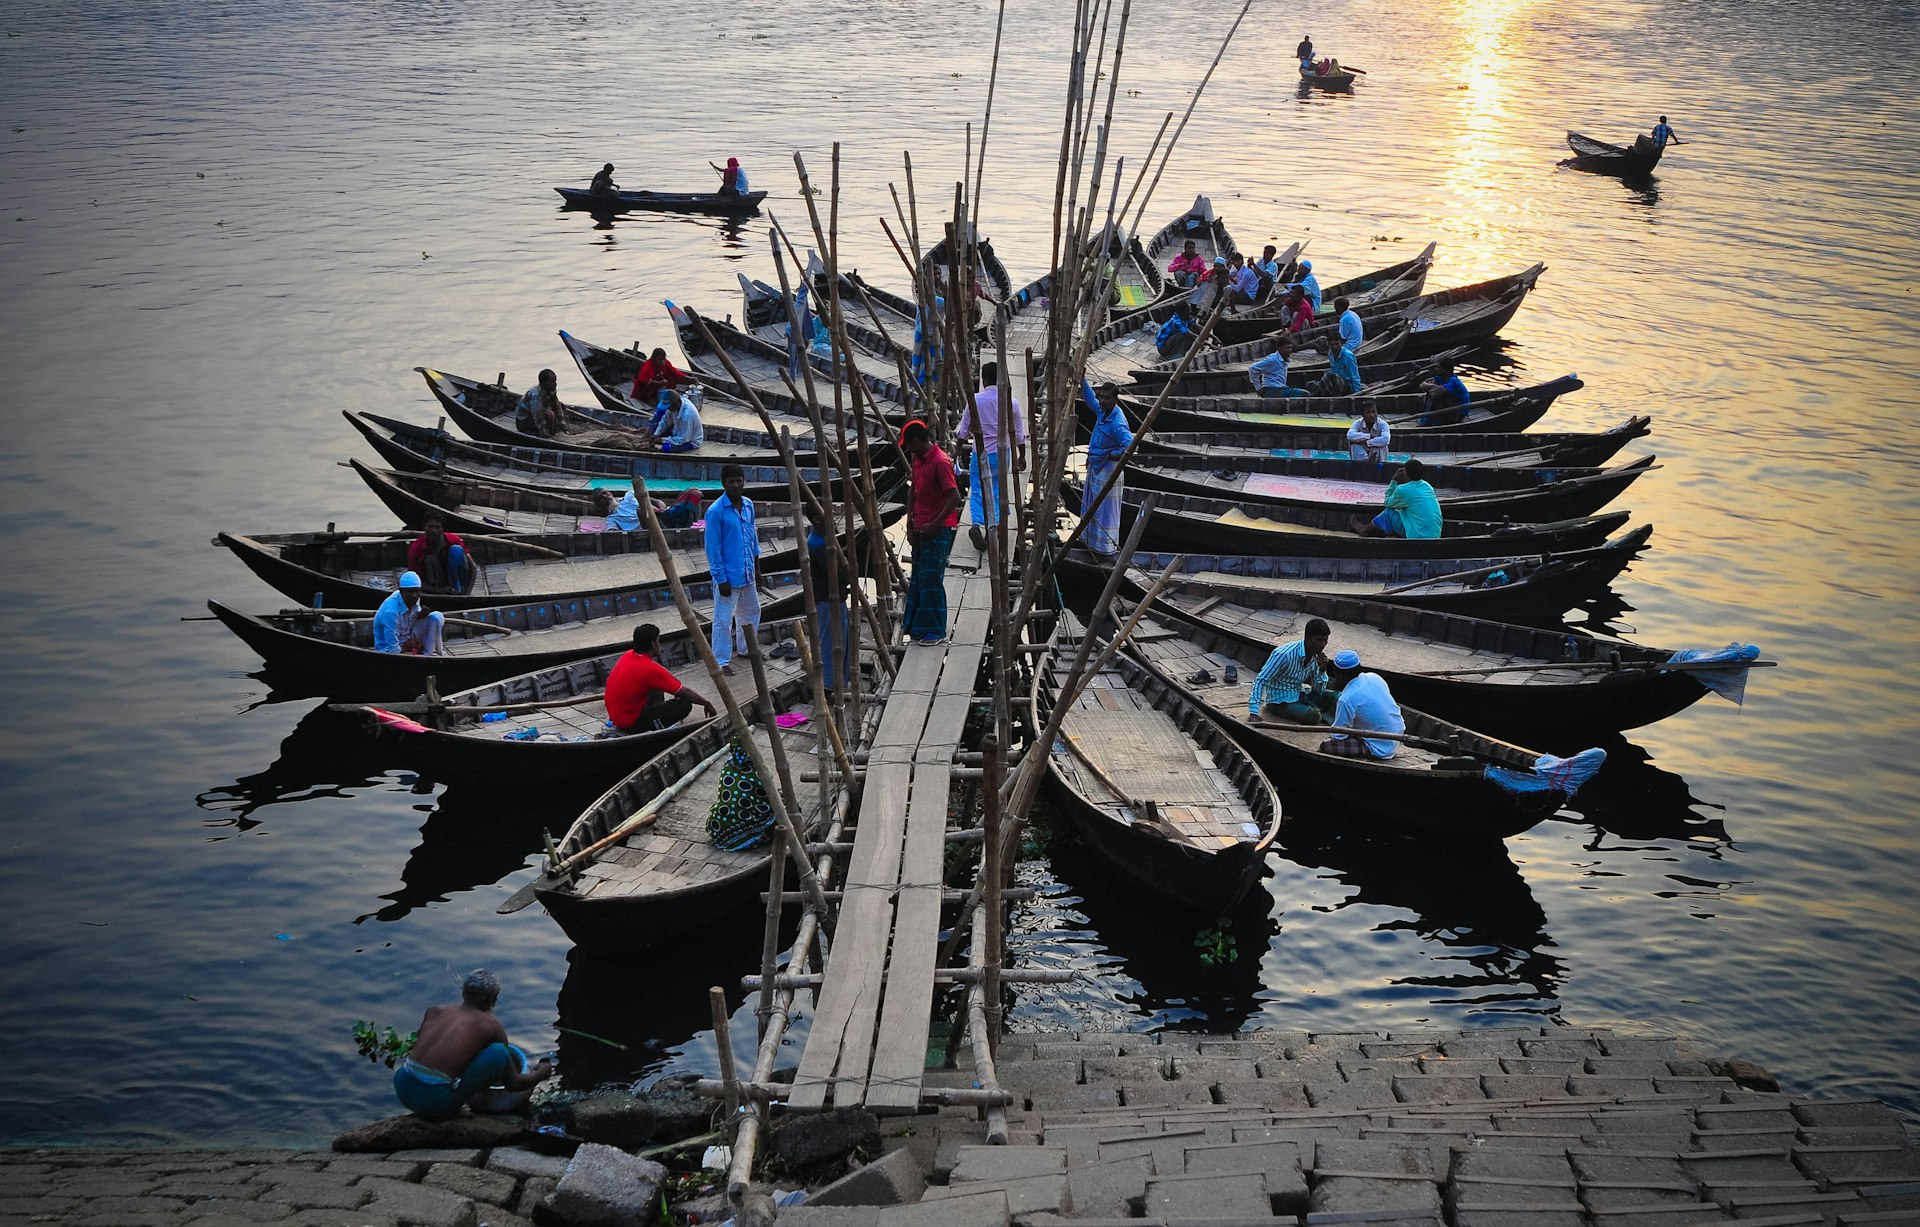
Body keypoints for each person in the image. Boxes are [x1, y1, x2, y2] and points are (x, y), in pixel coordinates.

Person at [392, 970, 553, 1120]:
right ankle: (451, 1108)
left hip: (402, 1084)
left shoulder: (435, 1011)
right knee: (499, 1053)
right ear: (493, 1000)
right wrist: (541, 1074)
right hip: (434, 1100)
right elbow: (513, 1084)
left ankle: (447, 1099)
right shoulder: (491, 1027)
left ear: (463, 992)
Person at [901, 420, 960, 645]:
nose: (908, 449)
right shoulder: (917, 460)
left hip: (937, 530)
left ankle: (935, 630)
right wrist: (909, 523)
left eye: (908, 444)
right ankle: (917, 626)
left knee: (932, 578)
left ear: (916, 441)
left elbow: (954, 497)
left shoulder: (941, 462)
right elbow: (913, 491)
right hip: (920, 527)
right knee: (919, 577)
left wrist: (934, 524)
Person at [956, 361, 1027, 550]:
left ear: (984, 379)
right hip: (1002, 455)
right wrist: (1022, 455)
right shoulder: (1012, 402)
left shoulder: (975, 401)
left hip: (980, 453)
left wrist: (956, 452)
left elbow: (963, 432)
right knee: (996, 489)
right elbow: (1019, 434)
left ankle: (977, 524)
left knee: (978, 489)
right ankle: (993, 526)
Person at [605, 624, 717, 734]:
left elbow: (676, 688)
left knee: (658, 687)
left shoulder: (628, 655)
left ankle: (654, 718)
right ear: (653, 644)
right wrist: (706, 703)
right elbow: (685, 692)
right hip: (631, 724)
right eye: (658, 641)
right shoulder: (649, 668)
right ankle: (655, 728)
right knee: (684, 705)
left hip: (618, 718)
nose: (659, 644)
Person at [705, 464, 761, 675]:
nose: (736, 485)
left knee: (751, 611)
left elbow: (753, 538)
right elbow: (713, 548)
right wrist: (721, 579)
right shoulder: (716, 511)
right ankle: (721, 661)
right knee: (723, 619)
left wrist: (757, 568)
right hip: (729, 575)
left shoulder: (748, 505)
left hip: (747, 572)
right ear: (723, 484)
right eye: (731, 482)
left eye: (739, 480)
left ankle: (747, 649)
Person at [1247, 618, 1336, 725]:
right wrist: (1254, 712)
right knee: (1314, 716)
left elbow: (1318, 691)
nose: (1322, 644)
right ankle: (1320, 713)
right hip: (1279, 700)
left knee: (1337, 698)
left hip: (1299, 693)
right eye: (1318, 640)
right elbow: (1260, 680)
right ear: (1307, 638)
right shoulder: (1283, 654)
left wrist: (1322, 671)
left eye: (1325, 640)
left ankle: (1318, 711)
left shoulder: (1317, 657)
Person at [1318, 650, 1405, 758]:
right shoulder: (1374, 677)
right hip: (1395, 736)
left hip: (1378, 747)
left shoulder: (1346, 699)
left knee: (1327, 746)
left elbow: (1338, 735)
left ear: (1337, 673)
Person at [1081, 381, 1134, 557]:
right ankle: (1091, 543)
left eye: (1107, 398)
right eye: (1101, 397)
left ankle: (1105, 549)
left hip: (1108, 470)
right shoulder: (1103, 411)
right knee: (1092, 507)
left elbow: (1131, 447)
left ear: (1115, 399)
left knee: (1105, 510)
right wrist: (1082, 380)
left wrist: (1113, 454)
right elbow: (1090, 401)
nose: (1102, 401)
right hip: (1097, 466)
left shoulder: (1118, 423)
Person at [805, 504, 855, 694]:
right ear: (817, 520)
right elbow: (836, 575)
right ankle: (828, 686)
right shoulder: (818, 544)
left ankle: (838, 683)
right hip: (827, 599)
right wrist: (848, 568)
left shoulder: (822, 539)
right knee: (832, 643)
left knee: (840, 640)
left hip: (832, 598)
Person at [1354, 458, 1443, 539]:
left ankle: (1365, 530)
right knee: (1403, 510)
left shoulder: (1403, 489)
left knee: (1388, 512)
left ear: (1407, 474)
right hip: (1435, 534)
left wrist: (1394, 480)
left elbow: (1387, 503)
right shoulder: (1427, 486)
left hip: (1417, 536)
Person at [372, 571, 444, 656]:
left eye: (417, 591)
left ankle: (428, 655)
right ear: (401, 591)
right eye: (410, 591)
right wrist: (406, 649)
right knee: (394, 650)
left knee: (436, 616)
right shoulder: (391, 610)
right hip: (388, 649)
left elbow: (411, 621)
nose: (414, 595)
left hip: (407, 638)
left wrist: (420, 616)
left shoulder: (414, 598)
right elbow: (392, 647)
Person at [406, 515, 471, 595]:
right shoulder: (416, 548)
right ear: (424, 527)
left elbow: (473, 567)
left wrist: (467, 593)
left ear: (442, 529)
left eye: (437, 527)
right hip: (433, 584)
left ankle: (458, 590)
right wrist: (438, 590)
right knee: (430, 559)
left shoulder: (453, 540)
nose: (433, 531)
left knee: (456, 550)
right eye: (430, 527)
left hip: (455, 578)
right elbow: (413, 580)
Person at [1308, 330, 1361, 397]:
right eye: (1332, 345)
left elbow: (1354, 375)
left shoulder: (1348, 356)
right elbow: (1333, 369)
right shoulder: (1330, 353)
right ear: (1328, 344)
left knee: (1331, 376)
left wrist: (1357, 392)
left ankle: (1314, 395)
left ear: (1341, 343)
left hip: (1346, 384)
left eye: (1337, 344)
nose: (1334, 347)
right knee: (1310, 384)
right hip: (1335, 383)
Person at [1419, 361, 1472, 426]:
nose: (1436, 369)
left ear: (1444, 369)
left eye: (1438, 367)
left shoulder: (1453, 381)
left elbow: (1433, 394)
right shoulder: (1441, 378)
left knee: (1439, 396)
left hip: (1458, 411)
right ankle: (1432, 418)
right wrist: (1432, 386)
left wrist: (1431, 388)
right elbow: (1422, 385)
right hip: (1449, 409)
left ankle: (1436, 420)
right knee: (1431, 393)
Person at [653, 388, 703, 453]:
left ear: (676, 403)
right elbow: (665, 421)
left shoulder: (687, 416)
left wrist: (662, 440)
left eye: (669, 407)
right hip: (677, 434)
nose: (668, 409)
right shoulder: (673, 408)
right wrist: (656, 434)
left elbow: (683, 439)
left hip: (690, 441)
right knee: (657, 422)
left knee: (665, 448)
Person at [515, 369, 562, 439]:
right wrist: (545, 435)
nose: (555, 384)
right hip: (524, 422)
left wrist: (563, 427)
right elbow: (537, 417)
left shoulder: (551, 391)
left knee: (560, 408)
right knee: (549, 415)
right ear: (544, 382)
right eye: (552, 381)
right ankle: (539, 433)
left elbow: (558, 408)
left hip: (538, 415)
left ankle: (555, 431)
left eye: (555, 381)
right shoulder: (535, 395)